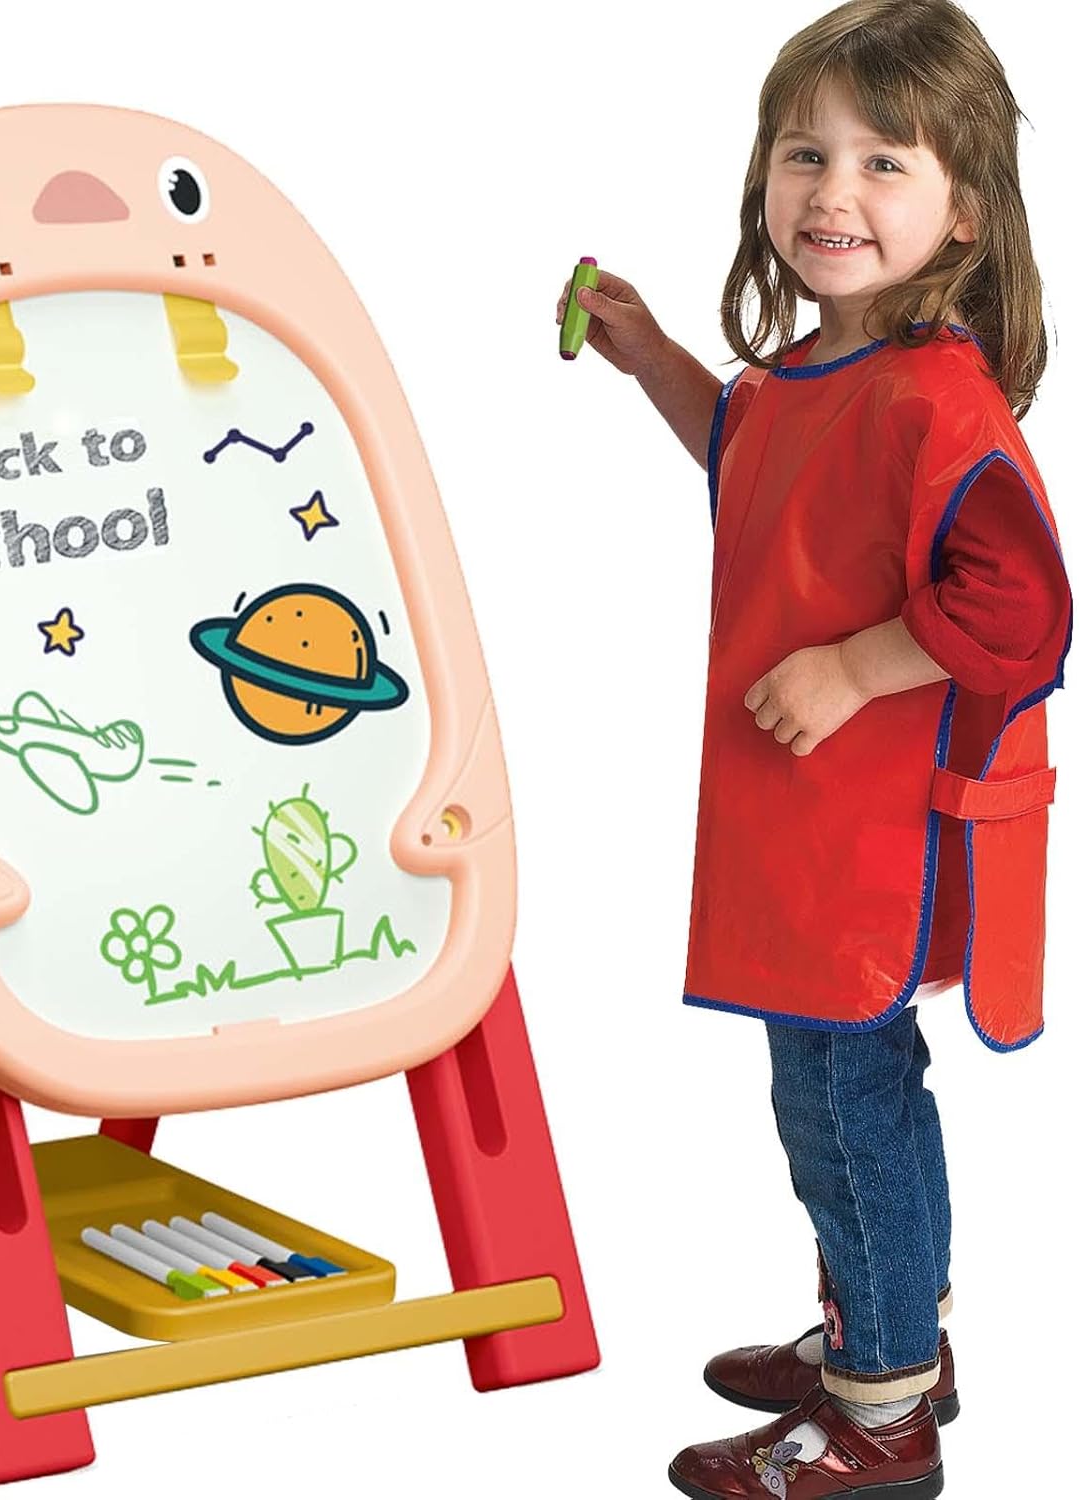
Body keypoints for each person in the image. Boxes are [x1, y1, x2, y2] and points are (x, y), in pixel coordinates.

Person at [557, 2, 1070, 1495]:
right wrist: (649, 355)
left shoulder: (934, 396)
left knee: (846, 1108)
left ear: (965, 209)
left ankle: (882, 1410)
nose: (832, 191)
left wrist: (856, 666)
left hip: (867, 835)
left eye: (882, 161)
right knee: (839, 1099)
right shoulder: (812, 374)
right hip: (801, 823)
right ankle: (883, 1332)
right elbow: (748, 454)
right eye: (804, 153)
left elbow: (1022, 608)